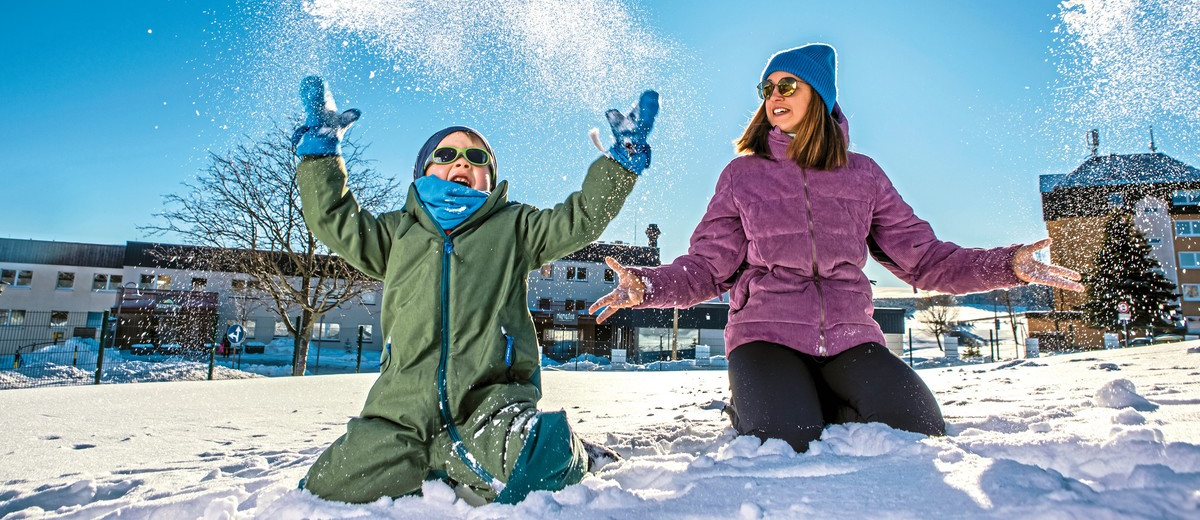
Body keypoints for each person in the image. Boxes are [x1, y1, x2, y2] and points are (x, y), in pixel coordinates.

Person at [591, 43, 1081, 453]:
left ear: (820, 97)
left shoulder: (863, 174)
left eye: (789, 86)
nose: (774, 96)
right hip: (767, 335)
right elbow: (707, 268)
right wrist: (648, 285)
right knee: (787, 440)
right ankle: (762, 402)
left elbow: (926, 260)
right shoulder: (742, 175)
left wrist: (1007, 265)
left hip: (850, 336)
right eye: (768, 88)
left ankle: (810, 397)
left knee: (917, 425)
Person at [291, 76, 658, 505]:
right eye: (446, 155)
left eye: (475, 157)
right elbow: (334, 219)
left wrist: (621, 160)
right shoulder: (396, 233)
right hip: (399, 417)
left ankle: (563, 456)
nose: (461, 163)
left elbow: (580, 217)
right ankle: (435, 461)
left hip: (489, 409)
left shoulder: (515, 227)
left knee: (547, 449)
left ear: (490, 177)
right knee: (321, 489)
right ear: (423, 171)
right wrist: (320, 154)